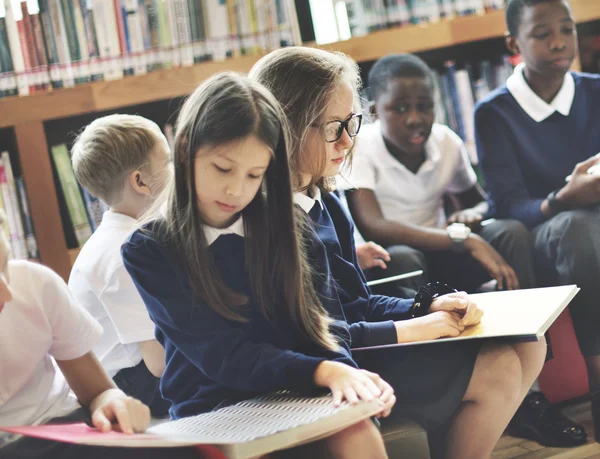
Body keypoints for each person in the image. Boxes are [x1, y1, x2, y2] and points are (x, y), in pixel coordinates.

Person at [250, 46, 547, 458]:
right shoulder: (271, 219)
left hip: (361, 347)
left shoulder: (326, 199)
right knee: (497, 369)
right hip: (329, 371)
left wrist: (429, 304)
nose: (348, 140)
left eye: (352, 123)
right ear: (288, 125)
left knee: (530, 343)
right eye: (332, 126)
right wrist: (412, 329)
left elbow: (359, 301)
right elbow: (318, 339)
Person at [122, 72, 394, 458]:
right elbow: (221, 353)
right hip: (214, 410)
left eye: (254, 175)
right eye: (222, 169)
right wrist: (323, 372)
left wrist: (346, 375)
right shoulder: (149, 249)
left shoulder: (292, 226)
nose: (236, 190)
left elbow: (325, 326)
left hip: (292, 391)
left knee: (357, 431)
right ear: (184, 149)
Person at [475, 0, 599, 445]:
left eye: (566, 29)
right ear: (514, 43)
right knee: (580, 229)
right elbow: (507, 204)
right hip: (546, 233)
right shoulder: (495, 112)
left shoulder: (596, 90)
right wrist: (562, 198)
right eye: (543, 33)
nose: (560, 41)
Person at [0, 210, 198, 459]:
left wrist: (114, 402)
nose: (7, 292)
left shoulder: (37, 285)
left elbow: (97, 392)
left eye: (5, 264)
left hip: (61, 428)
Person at [342, 53, 535, 294]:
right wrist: (462, 239)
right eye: (400, 108)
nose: (415, 119)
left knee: (510, 231)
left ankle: (528, 318)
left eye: (424, 106)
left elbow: (481, 203)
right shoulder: (359, 147)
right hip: (390, 259)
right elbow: (374, 226)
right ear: (375, 111)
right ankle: (426, 327)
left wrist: (470, 214)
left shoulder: (446, 142)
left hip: (441, 249)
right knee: (402, 258)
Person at [69, 114, 172, 417]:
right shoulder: (122, 254)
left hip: (143, 370)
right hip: (129, 383)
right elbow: (159, 363)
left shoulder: (135, 235)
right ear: (140, 182)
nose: (175, 170)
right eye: (167, 162)